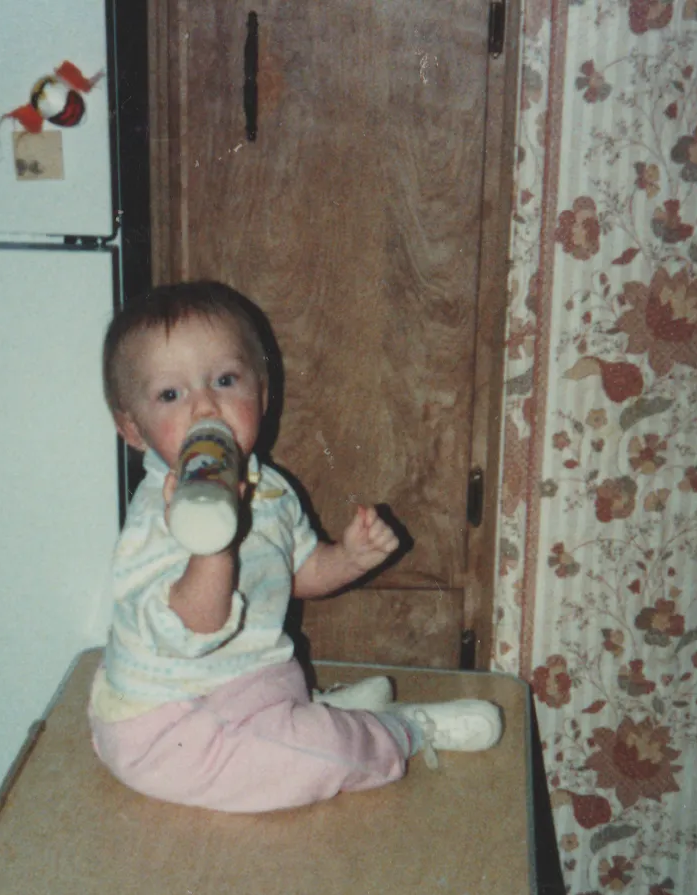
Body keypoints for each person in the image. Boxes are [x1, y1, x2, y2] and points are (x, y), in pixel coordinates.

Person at [89, 281, 502, 813]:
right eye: (171, 394)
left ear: (261, 394)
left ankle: (312, 711)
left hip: (244, 681)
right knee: (311, 761)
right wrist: (212, 542)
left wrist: (349, 558)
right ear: (133, 429)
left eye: (224, 379)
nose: (205, 406)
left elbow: (298, 570)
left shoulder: (270, 485)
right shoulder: (159, 519)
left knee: (282, 724)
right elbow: (196, 626)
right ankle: (400, 733)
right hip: (168, 721)